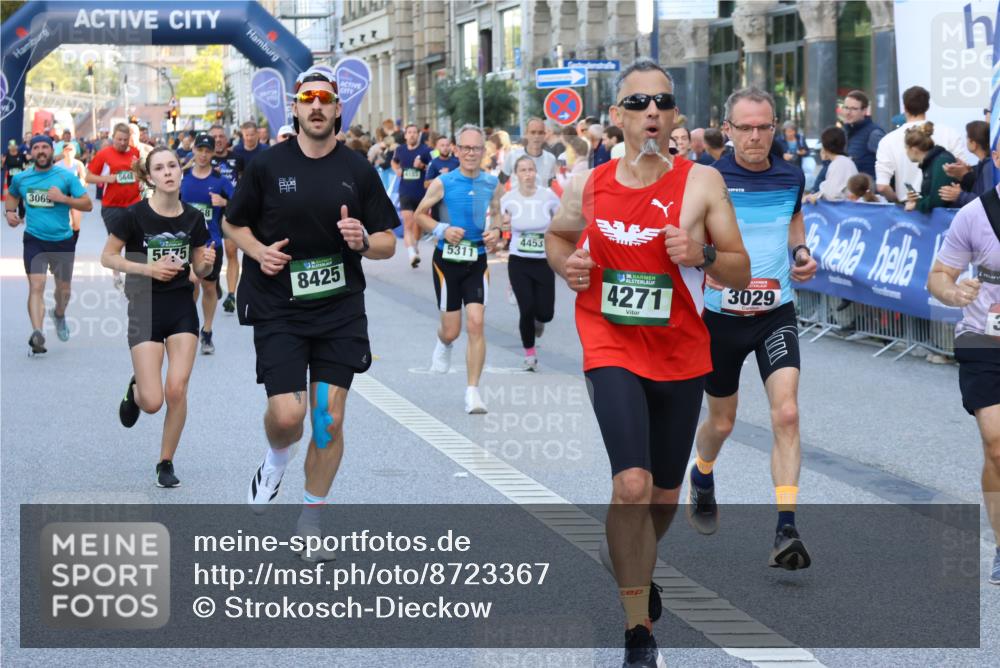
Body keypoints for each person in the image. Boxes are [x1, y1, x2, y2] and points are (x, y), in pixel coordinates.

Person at [546, 59, 749, 668]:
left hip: (682, 352)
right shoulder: (590, 183)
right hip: (611, 343)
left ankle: (633, 555)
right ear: (617, 117)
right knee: (629, 485)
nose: (651, 112)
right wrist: (566, 266)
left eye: (661, 101)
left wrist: (703, 252)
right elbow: (559, 238)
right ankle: (639, 630)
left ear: (676, 115)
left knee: (660, 499)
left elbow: (738, 266)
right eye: (637, 103)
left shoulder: (702, 183)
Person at [222, 67, 398, 559]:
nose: (317, 106)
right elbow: (232, 224)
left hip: (340, 308)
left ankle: (311, 519)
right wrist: (258, 252)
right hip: (279, 305)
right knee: (288, 415)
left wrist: (363, 240)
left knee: (327, 421)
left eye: (325, 98)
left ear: (338, 108)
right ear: (295, 109)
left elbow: (387, 240)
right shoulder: (266, 165)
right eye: (307, 99)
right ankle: (276, 459)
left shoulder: (358, 170)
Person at [690, 87, 818, 574]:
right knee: (722, 423)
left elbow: (794, 218)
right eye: (745, 127)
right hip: (720, 318)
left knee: (786, 413)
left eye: (765, 126)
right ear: (728, 130)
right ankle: (702, 475)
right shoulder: (707, 180)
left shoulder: (791, 173)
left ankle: (786, 527)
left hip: (774, 313)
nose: (756, 136)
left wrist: (800, 254)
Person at [100, 147, 215, 488]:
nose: (167, 172)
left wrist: (207, 261)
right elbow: (108, 257)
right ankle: (136, 389)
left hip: (180, 305)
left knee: (177, 389)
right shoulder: (133, 216)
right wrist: (146, 268)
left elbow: (199, 268)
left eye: (173, 166)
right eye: (159, 168)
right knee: (152, 402)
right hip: (144, 305)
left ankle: (165, 462)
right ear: (149, 177)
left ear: (181, 172)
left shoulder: (194, 218)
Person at [928, 165, 1000, 586]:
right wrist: (953, 293)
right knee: (996, 446)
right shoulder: (975, 214)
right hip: (982, 337)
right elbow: (939, 276)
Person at [414, 124, 503, 414]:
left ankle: (473, 392)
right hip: (447, 262)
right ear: (456, 149)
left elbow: (499, 218)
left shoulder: (492, 183)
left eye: (476, 148)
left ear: (483, 151)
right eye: (465, 147)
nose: (470, 153)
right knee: (452, 330)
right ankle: (444, 342)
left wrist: (497, 232)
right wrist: (442, 228)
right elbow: (419, 216)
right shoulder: (444, 182)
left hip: (476, 260)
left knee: (476, 322)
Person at [5, 135, 93, 354]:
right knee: (36, 286)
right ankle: (37, 333)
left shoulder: (65, 177)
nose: (41, 151)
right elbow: (12, 196)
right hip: (34, 239)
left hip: (62, 240)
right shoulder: (22, 178)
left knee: (63, 290)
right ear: (31, 152)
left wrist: (64, 199)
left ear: (52, 151)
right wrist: (9, 213)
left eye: (45, 147)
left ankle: (59, 314)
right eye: (37, 148)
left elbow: (87, 204)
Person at [501, 155, 560, 371]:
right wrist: (502, 226)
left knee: (545, 313)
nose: (528, 174)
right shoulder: (508, 199)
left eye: (531, 169)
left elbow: (561, 219)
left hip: (543, 261)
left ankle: (539, 320)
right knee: (526, 309)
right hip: (519, 261)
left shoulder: (548, 196)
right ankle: (530, 355)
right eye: (523, 170)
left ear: (536, 173)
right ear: (516, 174)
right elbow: (499, 225)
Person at [181, 134, 236, 354]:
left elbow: (241, 205)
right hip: (185, 242)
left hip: (211, 242)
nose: (203, 154)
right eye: (199, 149)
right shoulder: (182, 178)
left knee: (208, 286)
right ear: (193, 150)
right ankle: (189, 326)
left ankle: (207, 330)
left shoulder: (219, 181)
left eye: (207, 151)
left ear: (212, 153)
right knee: (192, 282)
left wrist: (225, 202)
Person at [875, 85, 971, 203]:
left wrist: (898, 202)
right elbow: (964, 170)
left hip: (906, 210)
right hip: (943, 208)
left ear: (904, 107)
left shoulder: (887, 140)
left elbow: (882, 186)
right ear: (927, 106)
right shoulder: (949, 133)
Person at [87, 122, 141, 289]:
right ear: (113, 138)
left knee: (135, 240)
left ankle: (134, 274)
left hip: (134, 203)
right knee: (117, 240)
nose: (122, 143)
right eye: (119, 139)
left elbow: (139, 173)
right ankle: (116, 274)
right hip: (112, 206)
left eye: (125, 140)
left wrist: (140, 178)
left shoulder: (135, 152)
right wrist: (106, 179)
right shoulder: (104, 154)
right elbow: (89, 177)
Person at [393, 123, 434, 268]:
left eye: (414, 132)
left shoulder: (427, 150)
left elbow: (436, 166)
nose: (411, 135)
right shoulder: (400, 150)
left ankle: (415, 245)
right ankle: (411, 253)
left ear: (418, 135)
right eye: (409, 132)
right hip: (405, 192)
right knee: (408, 224)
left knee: (418, 225)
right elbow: (394, 162)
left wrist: (422, 166)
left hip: (422, 194)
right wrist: (397, 169)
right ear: (405, 135)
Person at [902, 122, 958, 213]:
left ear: (913, 149)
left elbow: (938, 199)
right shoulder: (932, 162)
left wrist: (917, 205)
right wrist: (918, 199)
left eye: (906, 148)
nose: (906, 152)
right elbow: (933, 194)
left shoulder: (940, 162)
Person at [940, 120, 994, 207]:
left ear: (973, 144)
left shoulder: (988, 167)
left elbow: (989, 202)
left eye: (967, 138)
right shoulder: (984, 165)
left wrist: (960, 196)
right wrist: (965, 174)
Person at [803, 126, 857, 203]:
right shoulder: (842, 161)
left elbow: (831, 194)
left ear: (825, 146)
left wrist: (815, 197)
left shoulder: (839, 163)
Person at [499, 118, 557, 188]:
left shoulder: (551, 159)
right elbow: (500, 183)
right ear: (526, 134)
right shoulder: (513, 155)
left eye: (540, 133)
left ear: (544, 135)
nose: (536, 136)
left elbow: (549, 186)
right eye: (533, 132)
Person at [842, 90, 885, 179]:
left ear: (864, 111)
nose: (848, 112)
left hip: (868, 189)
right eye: (846, 108)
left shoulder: (874, 134)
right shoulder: (844, 131)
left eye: (853, 109)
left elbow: (888, 164)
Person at [56, 141, 88, 238]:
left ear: (75, 152)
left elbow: (85, 179)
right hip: (63, 196)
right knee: (67, 223)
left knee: (76, 225)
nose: (69, 152)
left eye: (71, 149)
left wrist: (81, 183)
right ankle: (67, 244)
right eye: (67, 149)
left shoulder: (78, 164)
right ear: (63, 152)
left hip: (76, 196)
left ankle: (73, 243)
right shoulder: (57, 165)